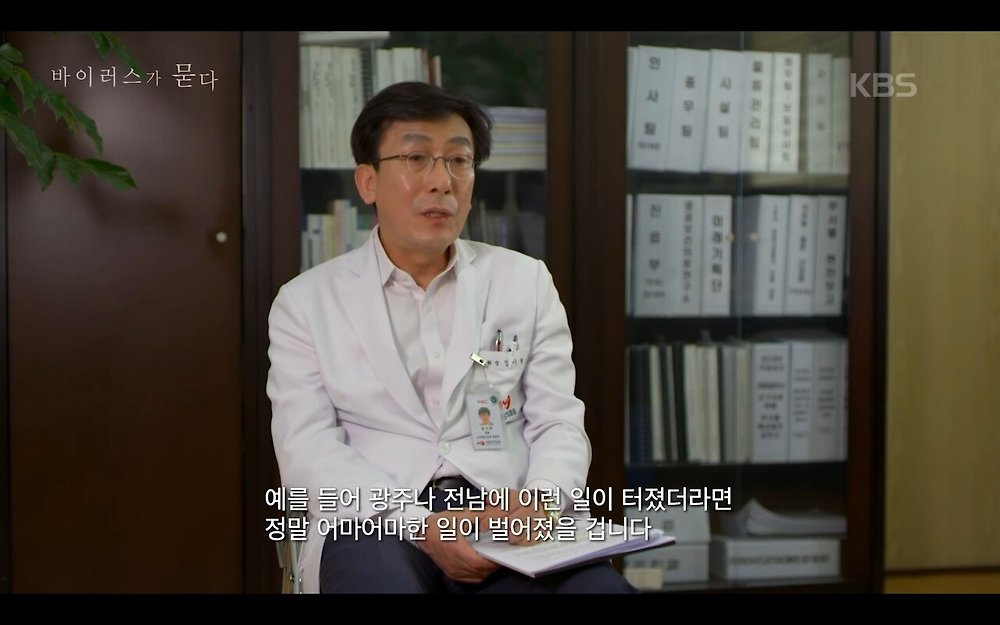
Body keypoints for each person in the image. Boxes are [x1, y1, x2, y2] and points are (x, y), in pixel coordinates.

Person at [267, 81, 635, 594]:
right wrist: (420, 524)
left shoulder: (524, 281)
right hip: (376, 520)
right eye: (416, 158)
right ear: (368, 181)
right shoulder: (306, 302)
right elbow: (306, 447)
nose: (442, 182)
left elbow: (557, 420)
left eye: (458, 161)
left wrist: (542, 499)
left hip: (505, 515)